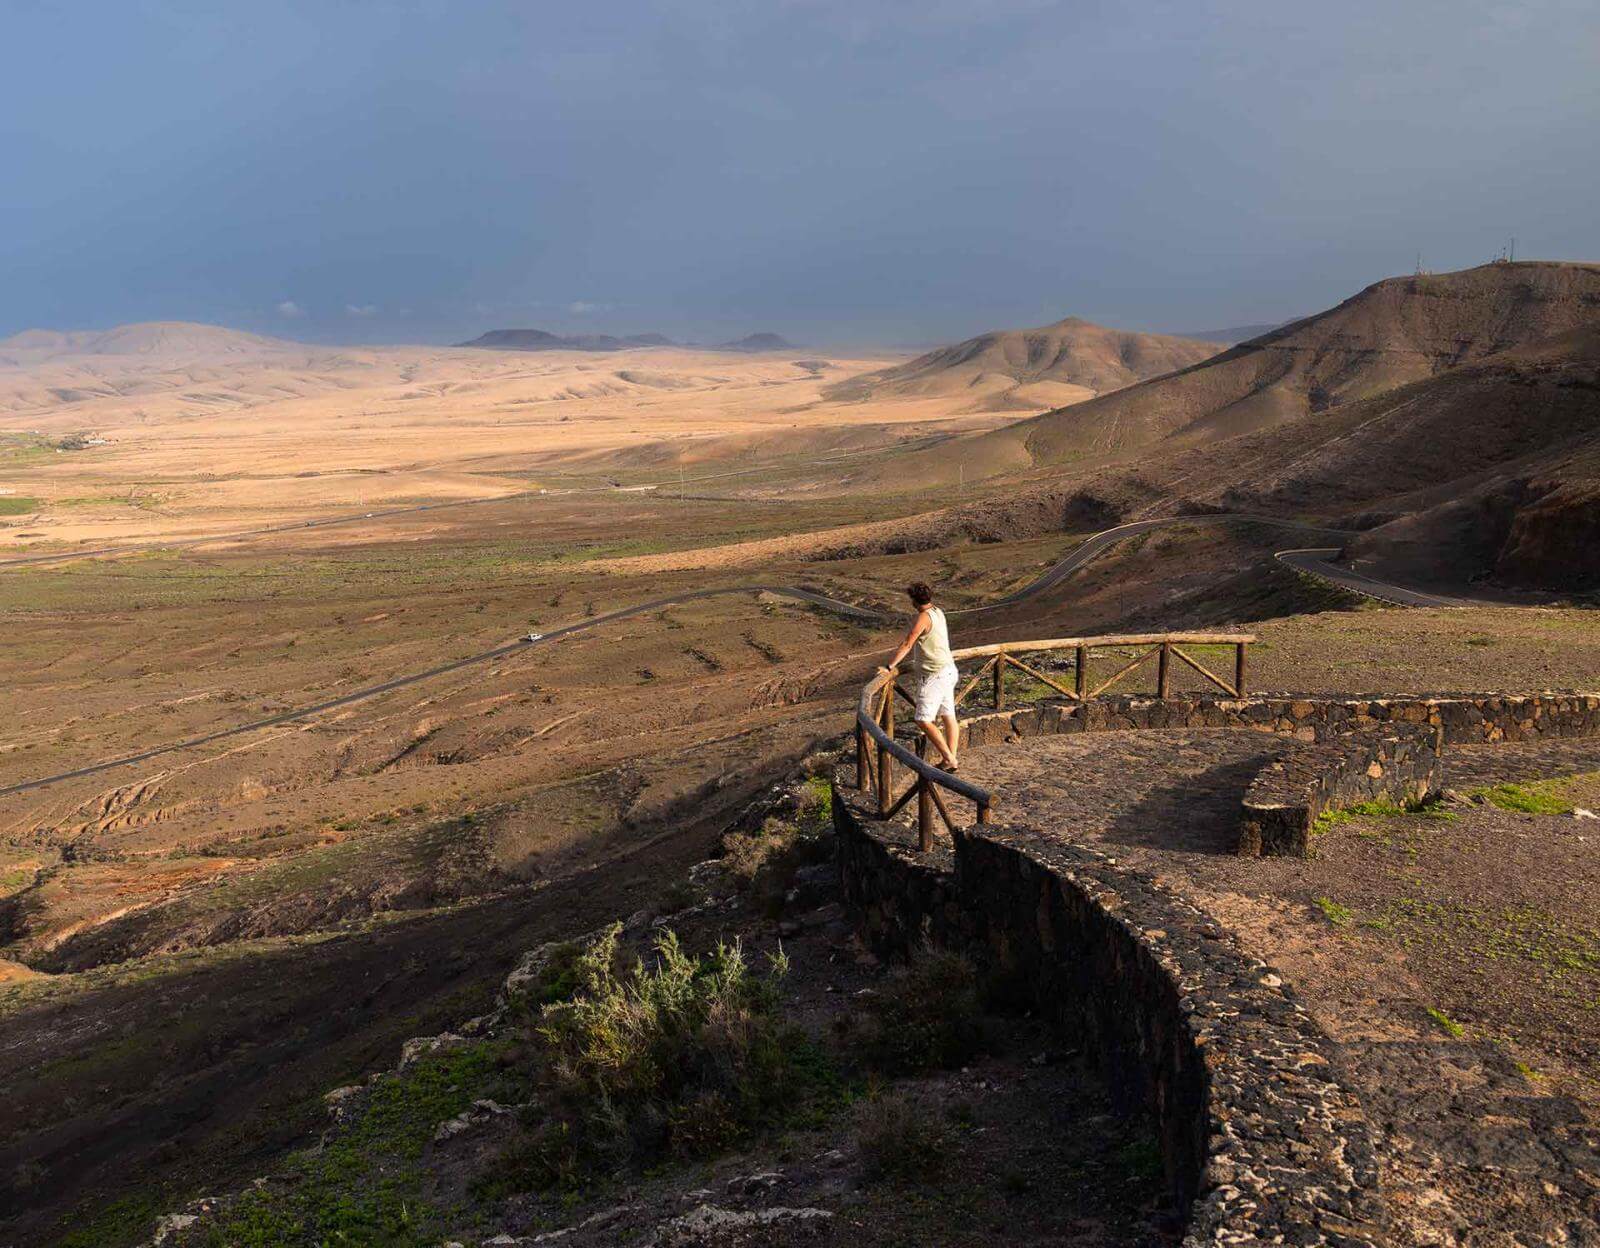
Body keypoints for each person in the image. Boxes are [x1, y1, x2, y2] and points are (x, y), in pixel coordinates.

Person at [878, 581, 960, 771]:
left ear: (914, 600)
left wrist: (890, 666)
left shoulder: (923, 618)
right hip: (948, 669)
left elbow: (908, 644)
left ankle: (949, 759)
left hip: (935, 674)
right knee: (948, 715)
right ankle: (951, 759)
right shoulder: (938, 612)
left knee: (923, 718)